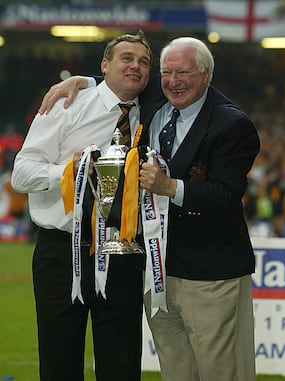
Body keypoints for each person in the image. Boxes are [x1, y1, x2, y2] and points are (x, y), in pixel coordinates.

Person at [38, 36, 260, 381]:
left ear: (206, 74)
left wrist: (169, 187)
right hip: (154, 271)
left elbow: (225, 196)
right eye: (167, 72)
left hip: (209, 271)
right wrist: (83, 81)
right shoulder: (156, 96)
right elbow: (120, 79)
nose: (174, 80)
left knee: (221, 369)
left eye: (184, 72)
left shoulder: (232, 125)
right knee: (176, 369)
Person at [11, 31, 152, 381]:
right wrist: (71, 172)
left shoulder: (153, 110)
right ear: (105, 65)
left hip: (123, 251)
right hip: (63, 252)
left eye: (144, 62)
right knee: (60, 362)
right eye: (126, 58)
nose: (136, 66)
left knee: (121, 364)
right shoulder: (65, 104)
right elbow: (21, 175)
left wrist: (86, 79)